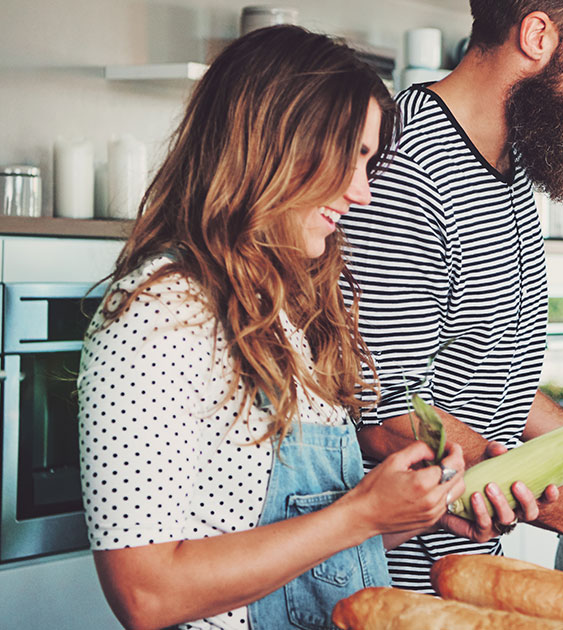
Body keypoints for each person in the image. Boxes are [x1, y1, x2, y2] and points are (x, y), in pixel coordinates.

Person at [78, 26, 509, 630]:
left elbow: (291, 552)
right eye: (351, 157)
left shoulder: (283, 313)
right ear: (277, 145)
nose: (361, 192)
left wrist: (407, 514)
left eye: (369, 160)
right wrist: (358, 515)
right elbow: (145, 593)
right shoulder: (159, 309)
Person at [338, 0, 563, 597]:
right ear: (537, 35)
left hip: (464, 578)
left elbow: (487, 369)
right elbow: (383, 413)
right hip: (389, 590)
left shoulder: (512, 169)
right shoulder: (407, 172)